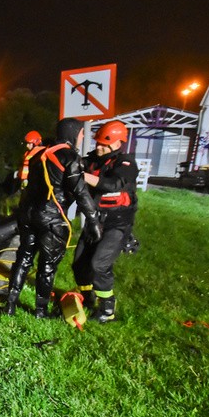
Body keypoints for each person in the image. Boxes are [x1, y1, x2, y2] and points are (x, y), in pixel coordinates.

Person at [4, 118, 103, 318]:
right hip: (51, 219)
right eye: (81, 135)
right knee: (47, 266)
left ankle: (10, 304)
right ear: (74, 134)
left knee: (23, 259)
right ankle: (40, 311)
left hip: (28, 215)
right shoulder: (69, 157)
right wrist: (93, 220)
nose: (82, 138)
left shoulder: (37, 155)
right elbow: (81, 192)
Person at [72, 120, 139, 323]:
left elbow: (113, 184)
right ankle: (87, 298)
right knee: (79, 263)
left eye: (103, 144)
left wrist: (82, 176)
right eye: (97, 143)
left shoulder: (126, 164)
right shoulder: (93, 160)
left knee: (99, 265)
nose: (98, 147)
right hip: (95, 220)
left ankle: (107, 309)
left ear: (118, 143)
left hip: (117, 223)